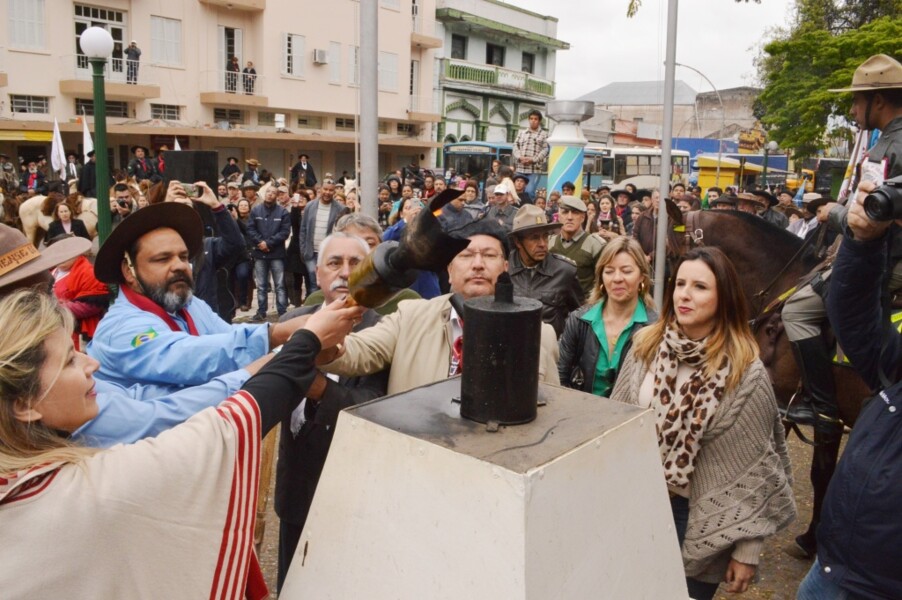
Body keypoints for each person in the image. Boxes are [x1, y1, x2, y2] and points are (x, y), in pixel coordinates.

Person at [0, 287, 362, 599]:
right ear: (23, 404)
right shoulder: (81, 493)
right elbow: (212, 428)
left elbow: (160, 390)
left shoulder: (195, 307)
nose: (90, 363)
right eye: (68, 361)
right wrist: (303, 343)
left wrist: (285, 353)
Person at [611, 247, 796, 600]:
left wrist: (747, 551)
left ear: (723, 297)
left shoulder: (746, 371)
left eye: (699, 286)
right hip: (634, 501)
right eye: (680, 283)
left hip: (693, 513)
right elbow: (614, 425)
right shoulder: (645, 345)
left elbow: (755, 468)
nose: (684, 294)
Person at [797, 184, 902, 599]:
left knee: (795, 312)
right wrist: (864, 240)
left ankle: (819, 401)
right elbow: (856, 320)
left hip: (880, 586)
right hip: (834, 569)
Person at [87, 202, 310, 397]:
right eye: (162, 259)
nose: (179, 265)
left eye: (183, 257)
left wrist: (290, 336)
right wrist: (277, 334)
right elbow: (190, 357)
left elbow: (229, 335)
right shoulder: (121, 328)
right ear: (129, 271)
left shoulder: (190, 304)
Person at [320, 218, 560, 395]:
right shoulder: (410, 316)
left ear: (505, 267)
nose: (478, 264)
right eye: (466, 256)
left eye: (488, 255)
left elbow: (550, 410)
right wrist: (322, 341)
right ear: (449, 269)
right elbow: (357, 352)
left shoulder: (540, 334)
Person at [274, 233, 389, 591]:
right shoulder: (291, 322)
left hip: (355, 491)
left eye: (356, 264)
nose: (345, 272)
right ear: (318, 274)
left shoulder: (386, 329)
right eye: (334, 263)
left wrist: (321, 390)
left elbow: (380, 406)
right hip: (296, 488)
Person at [559, 237, 656, 396]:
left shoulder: (654, 328)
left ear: (642, 277)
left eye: (626, 271)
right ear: (601, 278)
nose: (617, 278)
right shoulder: (579, 321)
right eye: (609, 271)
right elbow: (560, 378)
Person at [507, 204, 582, 337]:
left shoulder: (564, 271)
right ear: (518, 242)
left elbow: (580, 316)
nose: (542, 243)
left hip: (549, 352)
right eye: (534, 237)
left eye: (545, 236)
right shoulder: (503, 269)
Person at [247, 184, 291, 320]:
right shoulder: (256, 211)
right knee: (261, 285)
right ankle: (261, 311)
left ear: (277, 196)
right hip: (260, 253)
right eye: (268, 192)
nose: (270, 194)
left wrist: (269, 243)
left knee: (279, 285)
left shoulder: (283, 212)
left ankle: (282, 311)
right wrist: (261, 243)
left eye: (273, 192)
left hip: (276, 253)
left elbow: (285, 232)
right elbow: (250, 229)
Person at [548, 195, 605, 297]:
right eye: (565, 212)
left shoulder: (595, 245)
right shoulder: (549, 243)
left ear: (582, 218)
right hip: (555, 306)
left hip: (585, 307)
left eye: (575, 213)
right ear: (558, 216)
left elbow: (603, 281)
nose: (569, 217)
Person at [298, 179, 342, 292]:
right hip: (311, 252)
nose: (327, 192)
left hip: (329, 253)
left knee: (327, 282)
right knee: (314, 281)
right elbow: (303, 229)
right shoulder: (310, 206)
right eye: (325, 189)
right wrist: (303, 249)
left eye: (331, 190)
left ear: (334, 192)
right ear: (320, 189)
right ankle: (316, 307)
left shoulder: (340, 209)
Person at [512, 110, 549, 199]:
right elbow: (515, 146)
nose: (533, 121)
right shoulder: (522, 133)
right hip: (520, 168)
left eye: (535, 119)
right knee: (517, 191)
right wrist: (519, 157)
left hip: (534, 170)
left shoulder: (544, 135)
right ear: (529, 120)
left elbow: (545, 150)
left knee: (529, 192)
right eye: (531, 118)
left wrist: (533, 160)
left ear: (539, 121)